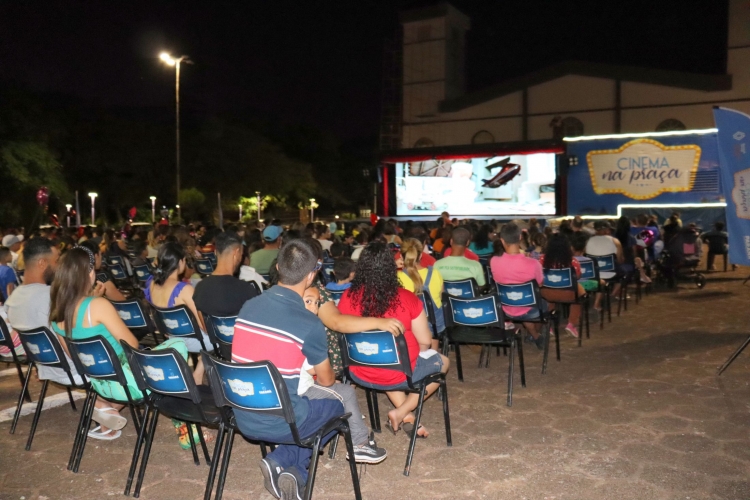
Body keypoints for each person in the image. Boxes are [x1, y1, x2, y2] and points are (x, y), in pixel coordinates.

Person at [232, 239, 387, 499]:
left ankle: (290, 470)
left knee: (304, 401)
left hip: (243, 414)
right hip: (284, 422)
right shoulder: (308, 322)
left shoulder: (248, 307)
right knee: (338, 403)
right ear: (313, 274)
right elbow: (327, 381)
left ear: (279, 266)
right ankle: (284, 461)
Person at [48, 246, 187, 441]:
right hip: (127, 383)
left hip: (98, 382)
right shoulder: (98, 305)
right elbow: (131, 344)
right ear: (89, 272)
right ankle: (109, 409)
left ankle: (105, 408)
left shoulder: (57, 313)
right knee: (178, 345)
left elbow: (74, 356)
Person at [338, 242, 450, 440]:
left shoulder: (347, 296)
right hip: (398, 373)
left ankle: (408, 417)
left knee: (391, 363)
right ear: (391, 268)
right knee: (442, 361)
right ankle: (402, 411)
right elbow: (425, 341)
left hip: (358, 371)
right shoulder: (407, 298)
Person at [144, 242, 210, 382]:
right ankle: (199, 373)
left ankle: (199, 368)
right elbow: (203, 325)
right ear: (180, 262)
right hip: (190, 340)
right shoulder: (184, 290)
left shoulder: (151, 284)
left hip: (170, 336)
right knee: (221, 337)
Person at [4, 238, 64, 370]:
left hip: (42, 363)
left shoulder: (14, 297)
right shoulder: (51, 296)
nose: (60, 266)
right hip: (69, 368)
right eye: (57, 261)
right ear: (42, 263)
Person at [490, 223, 546, 350]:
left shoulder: (494, 261)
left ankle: (534, 335)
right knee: (542, 303)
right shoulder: (533, 263)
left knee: (524, 305)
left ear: (502, 240)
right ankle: (535, 335)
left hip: (504, 309)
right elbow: (540, 284)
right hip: (529, 310)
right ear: (520, 237)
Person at [194, 231, 260, 317]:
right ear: (236, 253)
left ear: (215, 252)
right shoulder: (247, 290)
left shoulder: (199, 287)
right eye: (241, 254)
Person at [398, 238, 444, 348]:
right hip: (435, 326)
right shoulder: (435, 273)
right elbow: (442, 297)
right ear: (420, 256)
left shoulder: (398, 277)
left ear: (401, 256)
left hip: (409, 327)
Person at [540, 234, 586, 338]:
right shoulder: (573, 261)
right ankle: (571, 324)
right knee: (580, 295)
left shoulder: (542, 260)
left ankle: (548, 325)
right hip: (568, 294)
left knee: (549, 295)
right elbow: (577, 276)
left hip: (547, 294)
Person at [585, 220, 623, 312]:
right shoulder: (615, 241)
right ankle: (612, 295)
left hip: (593, 274)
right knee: (623, 274)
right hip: (611, 272)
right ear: (606, 229)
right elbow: (619, 259)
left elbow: (585, 256)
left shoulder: (588, 241)